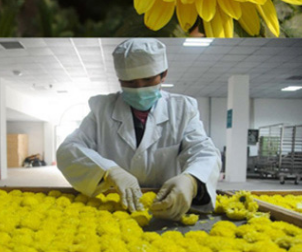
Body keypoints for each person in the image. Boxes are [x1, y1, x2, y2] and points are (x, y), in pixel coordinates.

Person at [56, 38, 221, 221]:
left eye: (148, 80)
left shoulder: (183, 109)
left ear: (163, 74)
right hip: (116, 207)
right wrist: (109, 171)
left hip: (167, 204)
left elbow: (204, 151)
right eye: (130, 83)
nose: (139, 89)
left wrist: (192, 180)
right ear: (120, 80)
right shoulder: (102, 109)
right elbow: (69, 149)